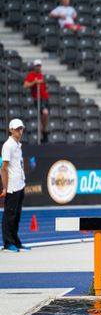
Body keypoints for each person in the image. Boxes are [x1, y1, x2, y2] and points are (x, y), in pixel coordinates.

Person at [1, 119, 30, 253]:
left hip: (19, 184)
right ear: (11, 130)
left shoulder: (17, 145)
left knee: (16, 215)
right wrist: (5, 187)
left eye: (21, 128)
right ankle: (8, 243)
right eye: (17, 129)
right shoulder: (8, 146)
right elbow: (4, 168)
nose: (20, 131)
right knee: (10, 215)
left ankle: (16, 242)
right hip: (12, 186)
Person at [23, 59, 50, 143]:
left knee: (44, 117)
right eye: (37, 65)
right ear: (34, 66)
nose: (38, 67)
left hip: (45, 98)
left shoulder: (41, 75)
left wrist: (46, 87)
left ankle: (44, 133)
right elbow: (25, 85)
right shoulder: (31, 75)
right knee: (45, 113)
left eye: (39, 65)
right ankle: (44, 133)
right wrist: (34, 82)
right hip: (38, 99)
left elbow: (45, 86)